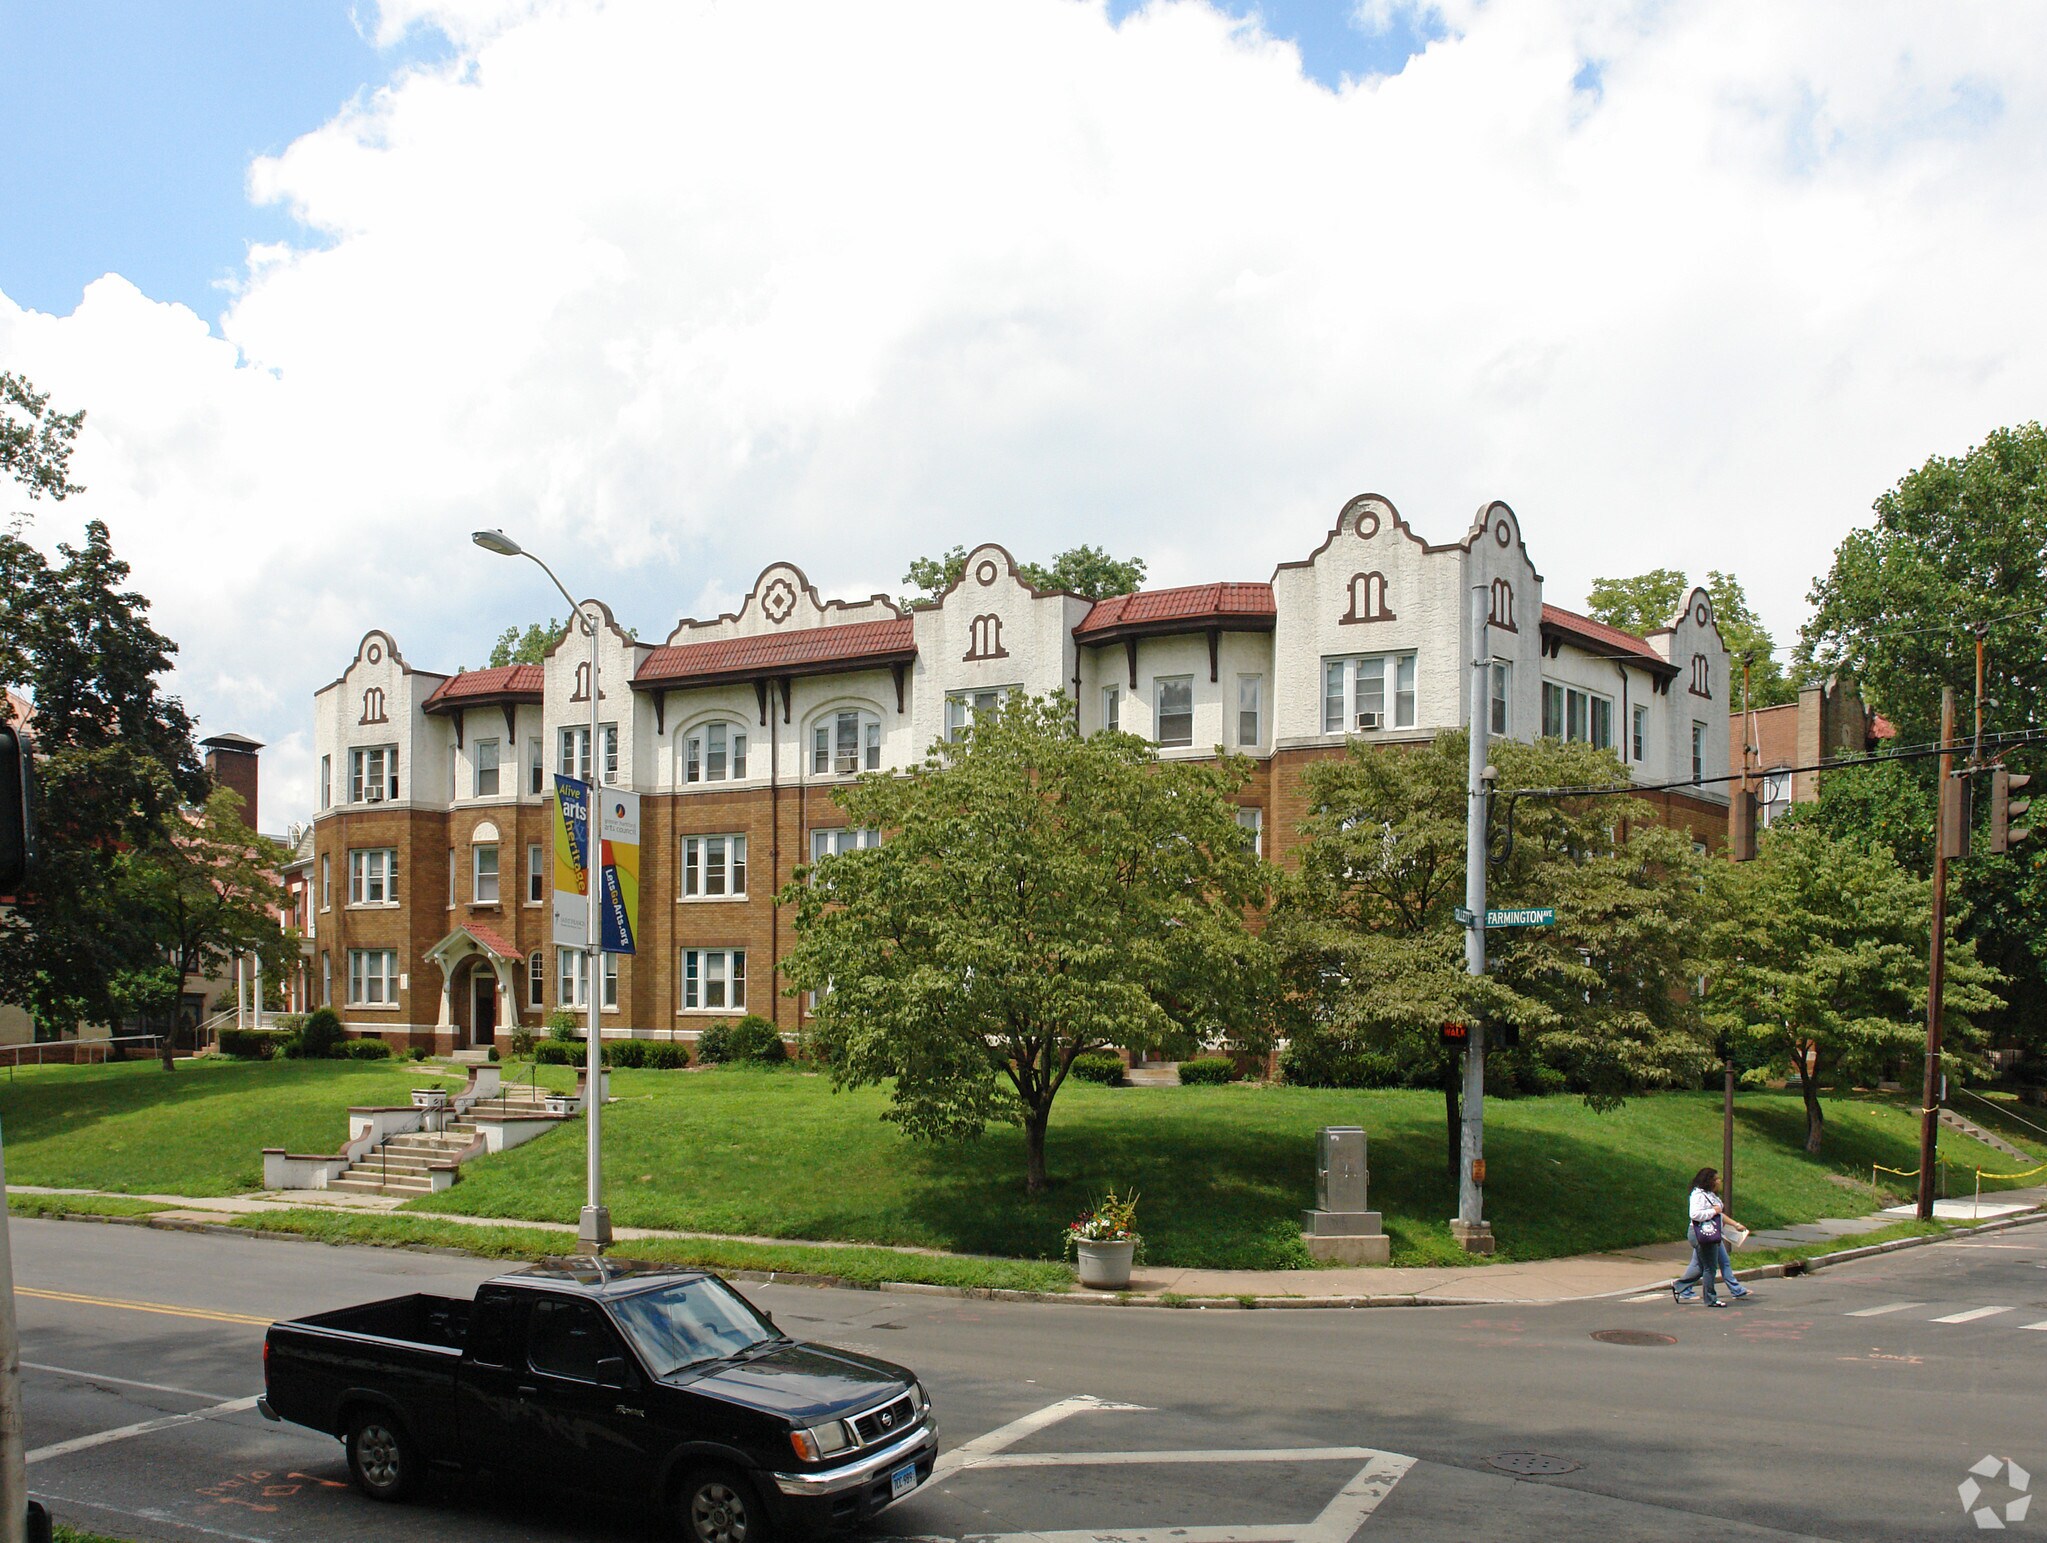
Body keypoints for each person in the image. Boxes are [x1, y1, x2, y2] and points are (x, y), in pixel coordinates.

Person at [1671, 1166, 1751, 1306]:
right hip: (1702, 1234)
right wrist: (1712, 1211)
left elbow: (1719, 1214)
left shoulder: (1710, 1195)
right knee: (1709, 1268)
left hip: (1712, 1234)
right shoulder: (1698, 1195)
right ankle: (1710, 1299)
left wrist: (1735, 1224)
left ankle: (1680, 1286)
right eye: (1716, 1179)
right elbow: (1695, 1214)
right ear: (1709, 1181)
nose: (1719, 1181)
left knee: (1702, 1266)